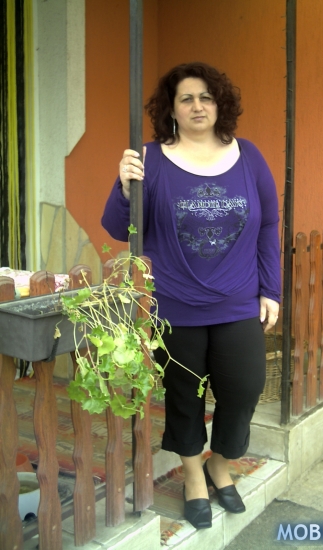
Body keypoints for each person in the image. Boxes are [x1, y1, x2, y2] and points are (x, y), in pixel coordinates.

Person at [102, 62, 281, 530]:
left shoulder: (248, 156)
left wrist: (271, 288)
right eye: (186, 98)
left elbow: (267, 225)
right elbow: (118, 227)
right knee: (184, 396)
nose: (197, 106)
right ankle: (194, 476)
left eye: (206, 97)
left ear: (220, 104)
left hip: (237, 300)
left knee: (244, 388)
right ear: (172, 109)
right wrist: (125, 186)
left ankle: (219, 464)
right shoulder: (149, 158)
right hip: (175, 304)